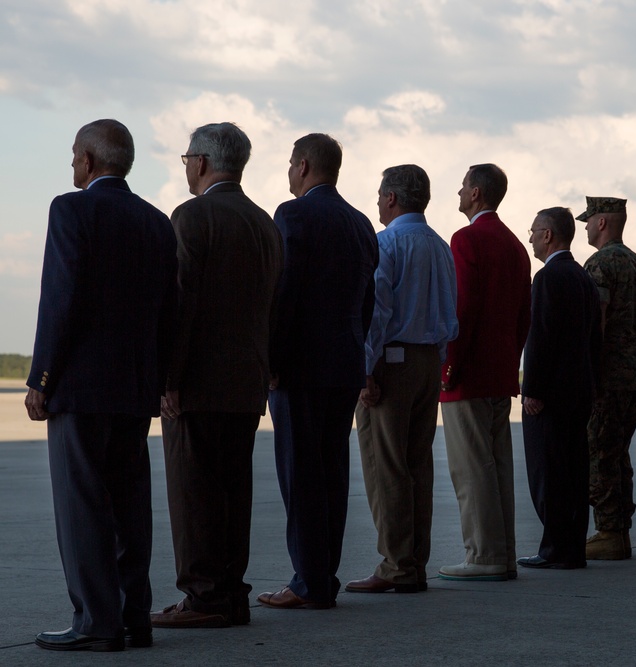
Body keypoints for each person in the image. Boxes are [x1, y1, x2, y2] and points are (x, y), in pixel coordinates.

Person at [26, 120, 177, 652]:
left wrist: (42, 378)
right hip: (135, 390)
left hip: (82, 389)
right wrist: (158, 381)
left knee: (82, 506)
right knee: (130, 506)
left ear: (89, 160)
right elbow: (169, 313)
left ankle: (96, 621)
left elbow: (59, 301)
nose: (71, 166)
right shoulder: (157, 222)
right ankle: (135, 616)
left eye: (73, 156)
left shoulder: (71, 210)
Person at [152, 122, 284, 628]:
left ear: (202, 162)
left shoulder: (192, 216)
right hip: (246, 381)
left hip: (199, 382)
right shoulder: (264, 223)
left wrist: (169, 377)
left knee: (193, 494)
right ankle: (230, 593)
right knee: (233, 492)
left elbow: (182, 303)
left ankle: (204, 597)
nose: (186, 166)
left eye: (187, 158)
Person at [257, 135, 378, 610]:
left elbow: (284, 293)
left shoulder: (293, 215)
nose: (289, 173)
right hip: (345, 362)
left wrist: (273, 359)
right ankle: (322, 575)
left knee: (301, 475)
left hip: (301, 366)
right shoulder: (361, 222)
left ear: (304, 166)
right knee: (331, 473)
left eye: (291, 164)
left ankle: (308, 582)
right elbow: (367, 301)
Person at [348, 164, 458, 593]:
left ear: (392, 198)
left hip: (391, 362)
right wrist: (439, 358)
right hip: (429, 358)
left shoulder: (388, 243)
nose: (377, 201)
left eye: (380, 194)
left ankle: (395, 563)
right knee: (417, 465)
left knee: (386, 466)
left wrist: (366, 368)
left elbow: (377, 312)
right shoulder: (440, 246)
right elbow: (450, 314)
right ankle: (414, 562)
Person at [438, 164, 531, 582]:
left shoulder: (467, 239)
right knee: (497, 467)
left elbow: (463, 308)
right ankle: (503, 552)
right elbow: (523, 316)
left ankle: (483, 554)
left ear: (475, 193)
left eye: (462, 187)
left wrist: (448, 366)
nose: (458, 193)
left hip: (469, 373)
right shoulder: (514, 244)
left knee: (472, 468)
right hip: (499, 371)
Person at [518, 206, 601, 569]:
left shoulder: (548, 277)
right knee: (573, 472)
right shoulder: (582, 276)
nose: (531, 237)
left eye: (534, 231)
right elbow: (593, 340)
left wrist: (531, 388)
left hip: (551, 394)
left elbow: (541, 337)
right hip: (579, 390)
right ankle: (572, 548)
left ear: (548, 235)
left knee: (548, 474)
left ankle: (555, 548)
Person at [576, 196, 636, 560]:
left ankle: (608, 532)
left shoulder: (600, 263)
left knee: (600, 454)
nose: (586, 228)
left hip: (607, 376)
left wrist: (586, 372)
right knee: (618, 453)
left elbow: (598, 320)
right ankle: (619, 530)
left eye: (588, 222)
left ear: (602, 222)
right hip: (634, 374)